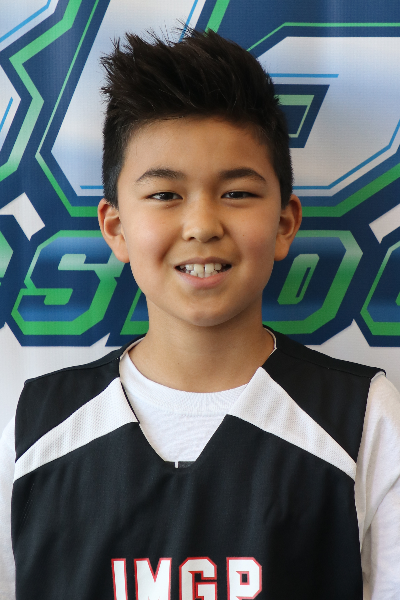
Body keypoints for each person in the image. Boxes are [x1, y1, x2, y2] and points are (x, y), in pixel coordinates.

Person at [1, 27, 400, 600]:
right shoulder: (34, 427)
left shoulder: (364, 418)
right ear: (116, 227)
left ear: (285, 222)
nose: (202, 225)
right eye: (165, 195)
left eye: (236, 193)